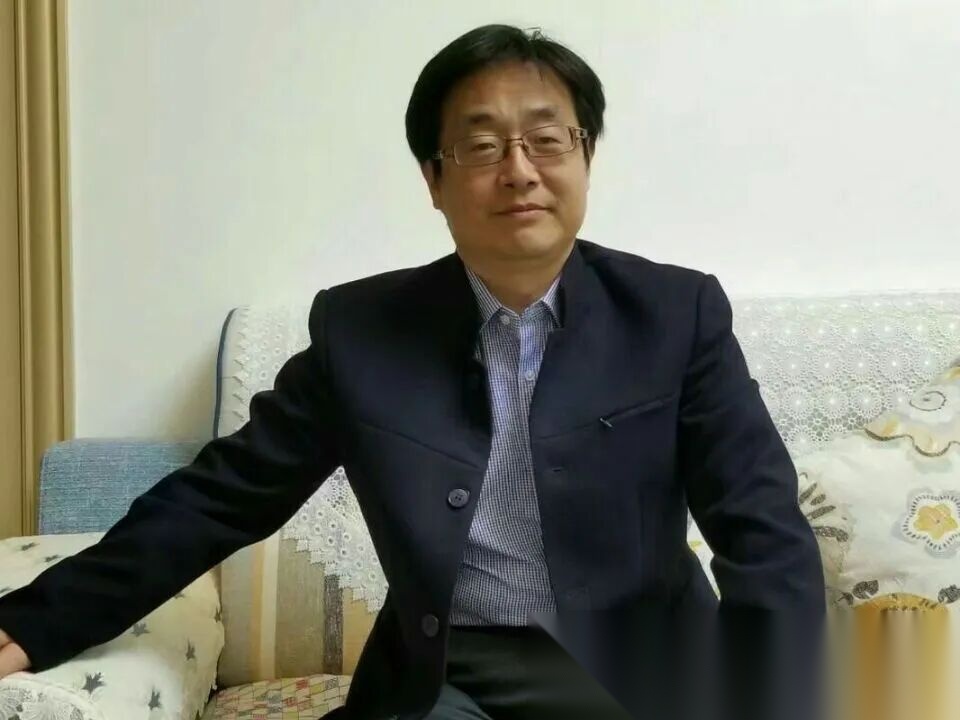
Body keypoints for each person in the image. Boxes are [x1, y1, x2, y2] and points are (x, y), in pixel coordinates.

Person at [0, 24, 825, 720]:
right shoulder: (361, 334)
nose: (520, 170)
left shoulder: (675, 315)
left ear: (585, 156)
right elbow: (223, 495)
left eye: (547, 140)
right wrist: (37, 622)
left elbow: (761, 529)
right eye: (482, 145)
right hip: (451, 674)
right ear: (434, 178)